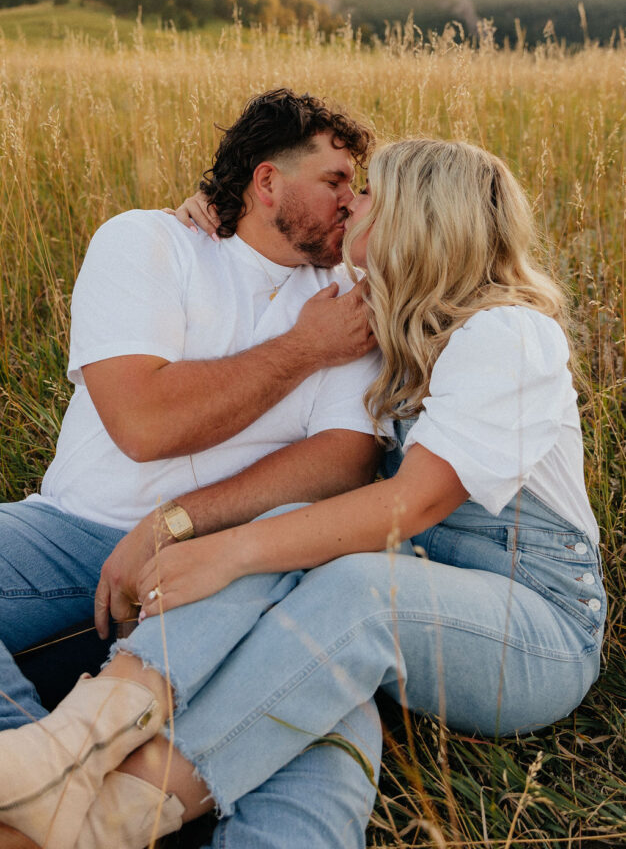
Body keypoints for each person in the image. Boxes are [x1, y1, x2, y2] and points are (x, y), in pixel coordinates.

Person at [0, 138, 605, 849]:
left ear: (418, 220)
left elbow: (409, 504)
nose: (353, 204)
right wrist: (217, 217)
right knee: (309, 556)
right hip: (414, 596)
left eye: (370, 194)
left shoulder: (510, 333)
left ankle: (107, 813)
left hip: (532, 626)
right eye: (346, 187)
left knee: (350, 585)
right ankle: (67, 750)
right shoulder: (390, 324)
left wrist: (227, 552)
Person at [0, 89, 391, 848]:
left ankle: (57, 797)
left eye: (359, 183)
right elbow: (144, 424)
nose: (355, 199)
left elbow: (345, 459)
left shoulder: (352, 299)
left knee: (326, 716)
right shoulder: (149, 242)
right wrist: (303, 350)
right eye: (336, 180)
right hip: (76, 530)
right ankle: (46, 789)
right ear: (267, 182)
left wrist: (184, 526)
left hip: (238, 564)